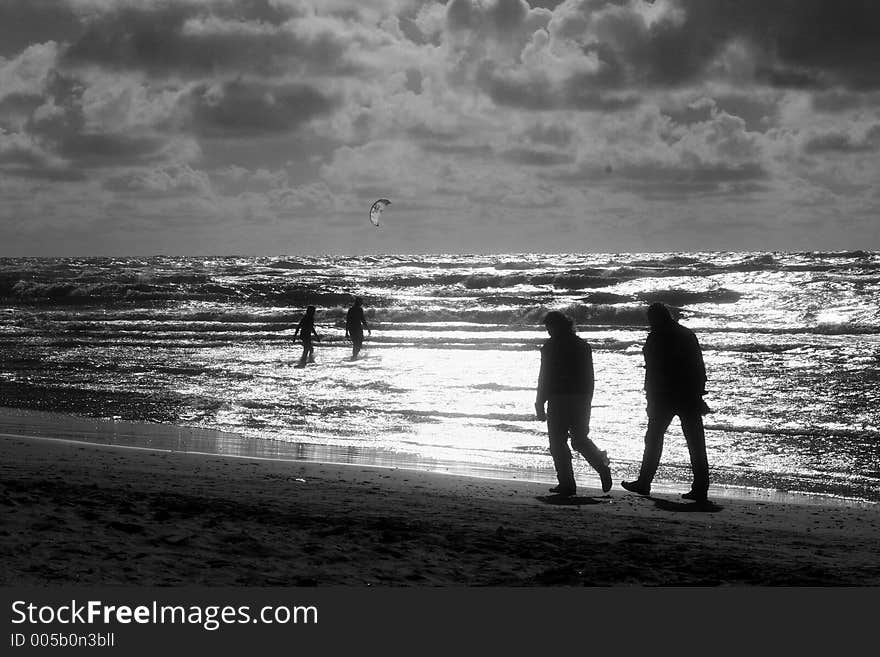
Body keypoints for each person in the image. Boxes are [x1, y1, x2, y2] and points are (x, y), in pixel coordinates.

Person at [622, 302, 711, 502]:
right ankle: (700, 487)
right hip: (686, 395)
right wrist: (698, 393)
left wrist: (650, 396)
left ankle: (644, 481)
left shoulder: (657, 337)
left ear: (655, 318)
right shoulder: (686, 334)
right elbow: (699, 366)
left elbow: (653, 370)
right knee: (695, 442)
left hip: (664, 396)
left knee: (654, 438)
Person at [535, 311, 612, 496]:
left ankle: (567, 483)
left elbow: (545, 377)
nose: (548, 331)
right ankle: (601, 466)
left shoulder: (550, 347)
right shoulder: (582, 346)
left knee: (557, 442)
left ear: (556, 326)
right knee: (579, 439)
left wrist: (540, 401)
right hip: (580, 399)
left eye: (549, 327)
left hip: (559, 398)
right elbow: (590, 378)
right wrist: (588, 399)